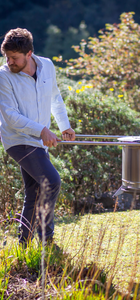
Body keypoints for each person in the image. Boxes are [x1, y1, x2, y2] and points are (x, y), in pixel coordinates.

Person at [0, 28, 76, 246]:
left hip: (38, 141)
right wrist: (42, 130)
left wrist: (65, 126)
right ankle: (46, 239)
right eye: (7, 57)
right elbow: (11, 116)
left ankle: (23, 244)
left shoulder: (47, 66)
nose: (10, 62)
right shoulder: (3, 76)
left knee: (33, 193)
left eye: (14, 58)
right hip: (17, 140)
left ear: (29, 53)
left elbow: (54, 97)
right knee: (51, 181)